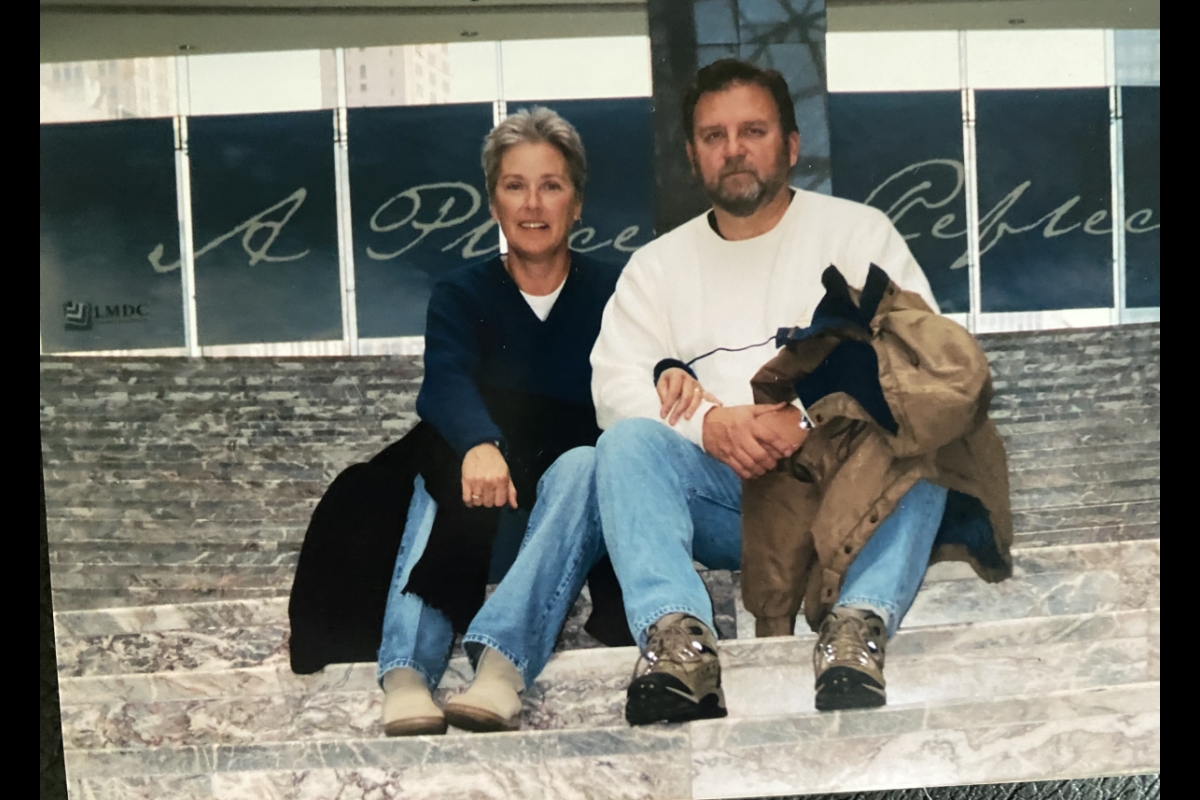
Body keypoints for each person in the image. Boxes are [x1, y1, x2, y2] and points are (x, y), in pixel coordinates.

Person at [589, 58, 1012, 725]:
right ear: (693, 154)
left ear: (790, 145)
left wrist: (812, 422)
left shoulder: (858, 234)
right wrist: (713, 426)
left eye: (752, 130)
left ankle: (856, 628)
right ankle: (680, 644)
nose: (733, 150)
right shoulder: (656, 267)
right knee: (625, 445)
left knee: (939, 435)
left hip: (850, 488)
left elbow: (925, 368)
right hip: (727, 496)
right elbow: (614, 387)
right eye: (713, 136)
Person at [287, 107, 630, 738]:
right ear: (493, 203)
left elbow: (642, 377)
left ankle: (501, 667)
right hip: (483, 494)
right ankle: (407, 672)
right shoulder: (462, 292)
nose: (533, 204)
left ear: (577, 203)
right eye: (514, 185)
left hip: (564, 508)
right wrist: (478, 441)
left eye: (551, 185)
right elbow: (445, 378)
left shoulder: (617, 292)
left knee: (590, 462)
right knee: (434, 463)